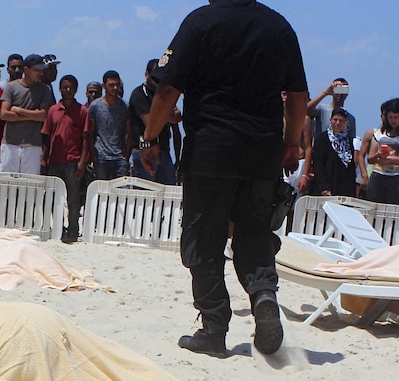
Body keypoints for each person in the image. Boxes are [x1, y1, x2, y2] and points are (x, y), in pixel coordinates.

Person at [140, 0, 308, 357]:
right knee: (255, 233)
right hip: (262, 154)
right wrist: (291, 144)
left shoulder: (200, 22)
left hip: (209, 151)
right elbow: (297, 98)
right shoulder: (278, 26)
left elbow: (168, 91)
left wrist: (151, 138)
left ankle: (214, 330)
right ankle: (263, 294)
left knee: (204, 241)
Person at [41, 75, 90, 244]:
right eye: (64, 87)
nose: (67, 90)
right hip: (54, 161)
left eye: (71, 88)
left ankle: (73, 230)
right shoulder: (53, 110)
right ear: (60, 89)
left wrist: (83, 161)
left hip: (73, 161)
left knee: (73, 199)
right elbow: (47, 136)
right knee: (55, 199)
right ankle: (59, 229)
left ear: (75, 89)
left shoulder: (82, 111)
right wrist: (43, 159)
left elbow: (86, 138)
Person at [128, 59, 181, 184]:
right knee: (145, 196)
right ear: (147, 75)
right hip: (144, 151)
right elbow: (150, 122)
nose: (159, 82)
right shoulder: (139, 94)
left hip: (164, 151)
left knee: (169, 196)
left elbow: (177, 118)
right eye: (155, 78)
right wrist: (166, 114)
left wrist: (178, 156)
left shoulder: (165, 94)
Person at [0, 54, 53, 175]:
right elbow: (4, 114)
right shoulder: (11, 87)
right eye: (37, 70)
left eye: (42, 70)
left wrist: (19, 110)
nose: (41, 73)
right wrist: (33, 115)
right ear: (26, 69)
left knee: (30, 185)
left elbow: (44, 115)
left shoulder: (44, 89)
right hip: (10, 144)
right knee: (5, 183)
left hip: (33, 145)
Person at [366, 98, 399, 205]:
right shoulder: (380, 133)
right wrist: (379, 154)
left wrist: (391, 159)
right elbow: (370, 159)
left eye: (396, 117)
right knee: (374, 209)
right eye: (390, 117)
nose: (393, 120)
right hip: (379, 176)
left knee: (397, 211)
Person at [88, 70, 129, 180]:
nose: (115, 88)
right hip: (101, 157)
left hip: (120, 157)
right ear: (104, 86)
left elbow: (129, 132)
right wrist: (94, 156)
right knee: (102, 191)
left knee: (120, 193)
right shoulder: (95, 106)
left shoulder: (125, 106)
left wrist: (126, 156)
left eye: (117, 84)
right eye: (111, 85)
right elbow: (90, 133)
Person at [311, 108, 356, 197]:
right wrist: (323, 186)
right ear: (330, 120)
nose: (338, 123)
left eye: (341, 120)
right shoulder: (322, 139)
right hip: (328, 187)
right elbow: (318, 163)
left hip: (345, 188)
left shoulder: (348, 141)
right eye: (335, 120)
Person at [307, 78, 356, 142]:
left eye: (343, 90)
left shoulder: (350, 118)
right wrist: (325, 92)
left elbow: (352, 142)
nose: (340, 93)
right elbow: (306, 110)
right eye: (337, 89)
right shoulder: (321, 109)